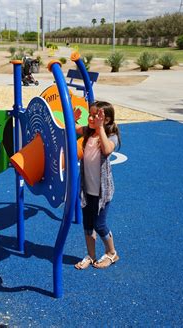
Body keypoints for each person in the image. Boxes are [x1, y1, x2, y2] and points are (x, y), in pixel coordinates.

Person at [73, 101, 121, 270]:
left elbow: (107, 150)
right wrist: (72, 120)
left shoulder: (110, 136)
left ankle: (111, 252)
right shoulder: (87, 132)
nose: (90, 118)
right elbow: (71, 130)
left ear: (106, 120)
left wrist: (100, 128)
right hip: (87, 190)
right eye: (90, 115)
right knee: (87, 224)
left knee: (99, 225)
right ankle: (90, 255)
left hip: (103, 192)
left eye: (95, 116)